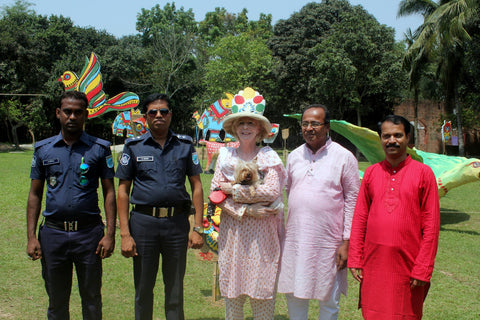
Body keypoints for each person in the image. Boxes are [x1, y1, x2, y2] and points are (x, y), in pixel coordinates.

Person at [26, 90, 117, 320]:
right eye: (67, 111)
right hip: (53, 235)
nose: (72, 117)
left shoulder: (99, 148)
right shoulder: (43, 150)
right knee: (56, 301)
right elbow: (34, 194)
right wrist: (31, 237)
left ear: (86, 115)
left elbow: (109, 192)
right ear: (58, 113)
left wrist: (110, 234)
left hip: (89, 235)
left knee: (92, 300)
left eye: (78, 112)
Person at [116, 93, 204, 320]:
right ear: (145, 117)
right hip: (144, 225)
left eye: (163, 112)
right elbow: (123, 190)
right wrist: (125, 234)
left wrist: (197, 228)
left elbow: (196, 186)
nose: (158, 116)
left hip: (176, 225)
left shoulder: (184, 145)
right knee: (143, 288)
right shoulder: (133, 147)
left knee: (175, 289)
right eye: (153, 112)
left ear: (170, 115)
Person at [348, 115, 440, 320]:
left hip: (408, 267)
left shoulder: (424, 174)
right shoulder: (371, 173)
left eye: (398, 135)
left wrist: (423, 268)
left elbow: (432, 226)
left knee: (406, 314)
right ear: (380, 139)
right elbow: (360, 218)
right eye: (386, 136)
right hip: (374, 266)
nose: (392, 140)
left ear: (408, 138)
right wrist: (355, 258)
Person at [277, 104, 360, 320]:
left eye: (315, 123)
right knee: (294, 296)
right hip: (297, 240)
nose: (309, 128)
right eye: (305, 124)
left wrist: (347, 241)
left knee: (329, 301)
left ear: (328, 127)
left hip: (329, 242)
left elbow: (353, 200)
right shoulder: (294, 156)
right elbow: (289, 191)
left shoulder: (344, 157)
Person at [211, 87, 286, 320]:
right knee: (233, 303)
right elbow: (216, 195)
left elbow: (271, 190)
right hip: (233, 236)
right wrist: (245, 210)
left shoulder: (269, 157)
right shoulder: (225, 157)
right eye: (241, 123)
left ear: (260, 130)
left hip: (262, 237)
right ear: (234, 128)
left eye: (251, 124)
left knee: (262, 298)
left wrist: (233, 189)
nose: (245, 127)